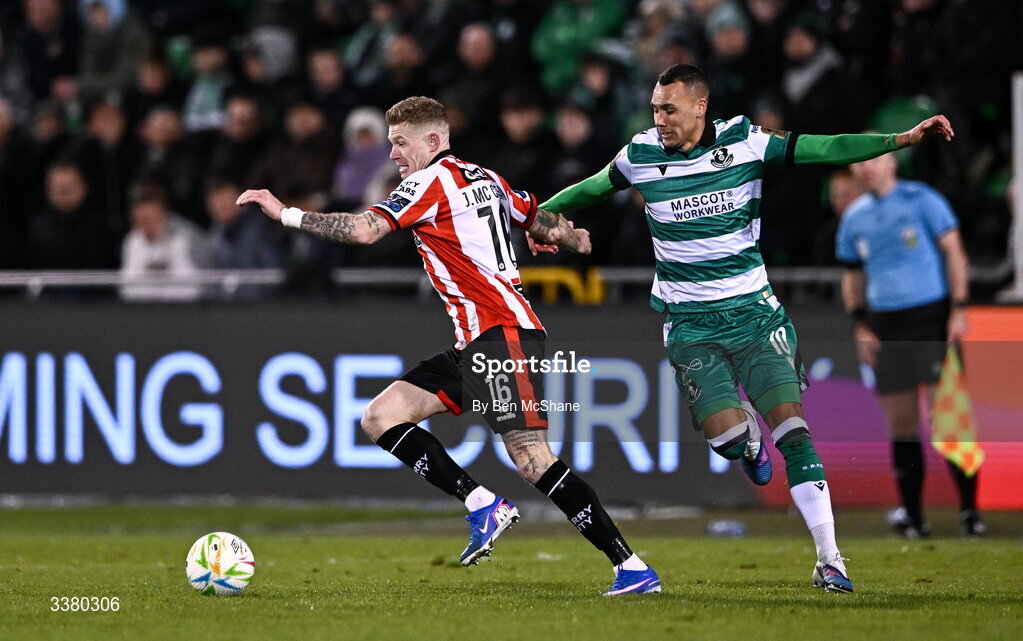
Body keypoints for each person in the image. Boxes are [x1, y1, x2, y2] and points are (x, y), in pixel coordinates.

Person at [537, 64, 956, 594]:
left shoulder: (746, 142)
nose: (659, 119)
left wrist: (901, 139)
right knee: (728, 440)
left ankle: (830, 559)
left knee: (795, 435)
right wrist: (536, 217)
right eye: (655, 109)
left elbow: (825, 148)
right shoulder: (639, 155)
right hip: (690, 324)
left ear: (700, 106)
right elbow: (588, 190)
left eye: (669, 109)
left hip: (756, 316)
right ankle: (748, 442)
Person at [237, 96, 661, 596]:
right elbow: (537, 218)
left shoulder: (427, 183)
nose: (393, 154)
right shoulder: (487, 178)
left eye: (401, 143)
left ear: (434, 140)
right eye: (391, 143)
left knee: (532, 460)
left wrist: (285, 213)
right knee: (380, 417)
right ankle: (482, 503)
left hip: (500, 335)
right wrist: (573, 239)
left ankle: (631, 567)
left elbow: (363, 231)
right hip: (474, 343)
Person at [837, 150, 984, 538]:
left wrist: (959, 308)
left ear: (892, 163)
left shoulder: (923, 200)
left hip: (930, 319)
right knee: (901, 425)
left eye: (874, 158)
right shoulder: (854, 217)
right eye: (860, 161)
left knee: (948, 418)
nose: (866, 166)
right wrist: (860, 324)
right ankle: (914, 518)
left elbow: (955, 253)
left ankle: (971, 513)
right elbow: (852, 276)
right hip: (886, 325)